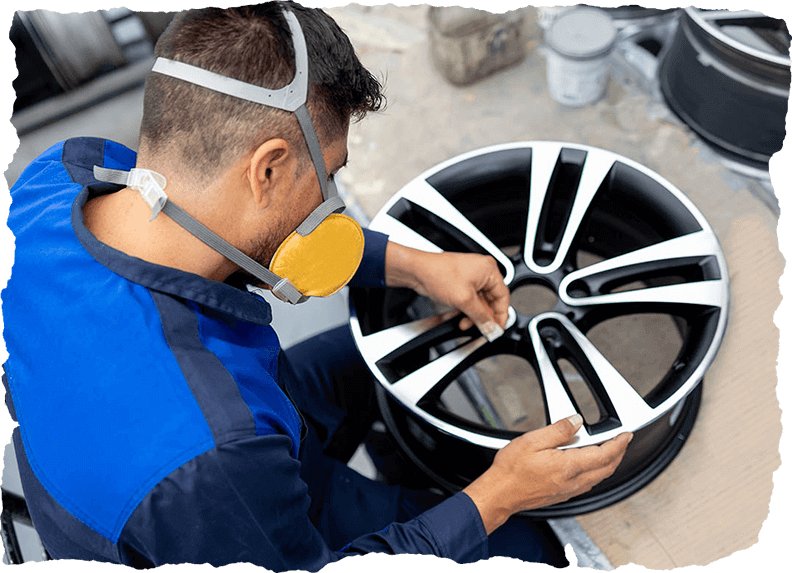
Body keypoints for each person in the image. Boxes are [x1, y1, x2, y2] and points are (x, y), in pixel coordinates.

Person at [2, 2, 631, 570]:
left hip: (225, 427)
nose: (331, 204)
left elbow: (254, 232)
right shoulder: (216, 457)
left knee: (397, 340)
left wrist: (415, 264)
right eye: (327, 177)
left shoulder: (56, 184)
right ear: (268, 168)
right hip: (229, 523)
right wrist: (499, 496)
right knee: (536, 546)